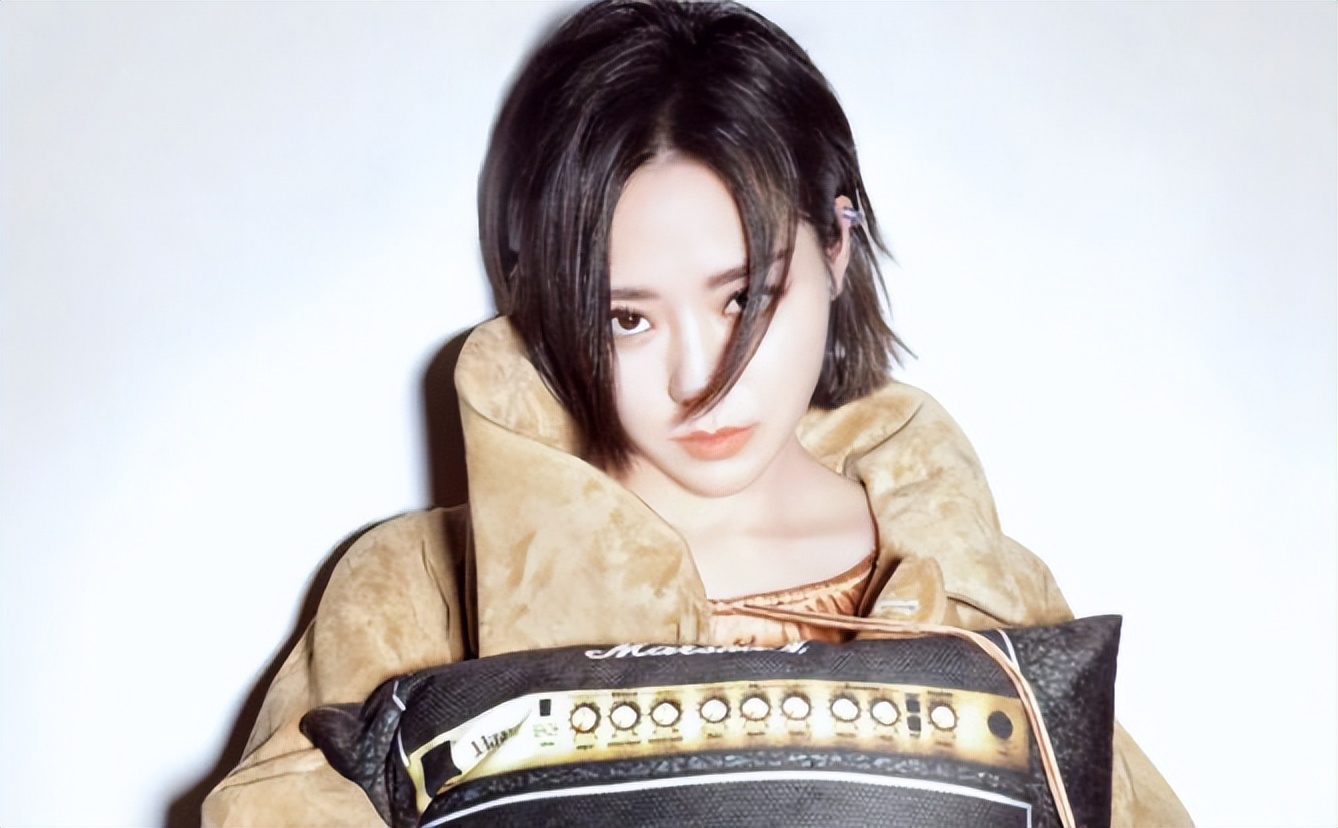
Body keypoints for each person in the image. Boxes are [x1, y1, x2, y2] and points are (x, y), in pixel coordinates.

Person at [202, 1, 1192, 824]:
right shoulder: (420, 589)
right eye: (627, 317)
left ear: (837, 244)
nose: (699, 378)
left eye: (745, 298)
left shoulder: (984, 590)